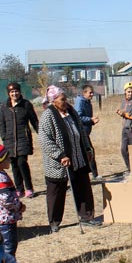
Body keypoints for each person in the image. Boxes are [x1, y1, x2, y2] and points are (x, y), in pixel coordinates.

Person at [38, 85, 100, 233]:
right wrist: (60, 155)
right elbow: (45, 140)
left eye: (65, 98)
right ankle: (54, 222)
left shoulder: (71, 111)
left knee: (83, 186)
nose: (65, 102)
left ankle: (86, 216)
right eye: (62, 99)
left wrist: (87, 149)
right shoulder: (48, 115)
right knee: (56, 192)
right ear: (53, 101)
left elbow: (81, 132)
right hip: (59, 162)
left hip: (78, 156)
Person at [0, 82, 39, 198]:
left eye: (16, 91)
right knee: (14, 165)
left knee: (22, 163)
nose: (14, 94)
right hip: (9, 141)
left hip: (23, 139)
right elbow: (1, 122)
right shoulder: (4, 106)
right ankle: (19, 189)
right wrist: (4, 136)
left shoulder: (26, 105)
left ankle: (29, 188)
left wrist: (41, 132)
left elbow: (34, 121)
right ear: (8, 93)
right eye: (12, 92)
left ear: (20, 92)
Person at [74, 84, 100, 177]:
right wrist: (90, 119)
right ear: (84, 93)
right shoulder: (80, 102)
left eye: (92, 92)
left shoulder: (87, 102)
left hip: (85, 133)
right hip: (80, 133)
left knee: (89, 152)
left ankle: (93, 174)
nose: (92, 94)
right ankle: (94, 175)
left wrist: (92, 121)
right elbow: (78, 117)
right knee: (89, 152)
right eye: (90, 92)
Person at [116, 82, 132, 172]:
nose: (130, 93)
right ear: (125, 92)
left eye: (131, 92)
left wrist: (125, 114)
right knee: (123, 149)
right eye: (128, 91)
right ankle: (129, 167)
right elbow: (124, 113)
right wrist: (120, 113)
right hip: (125, 128)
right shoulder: (123, 101)